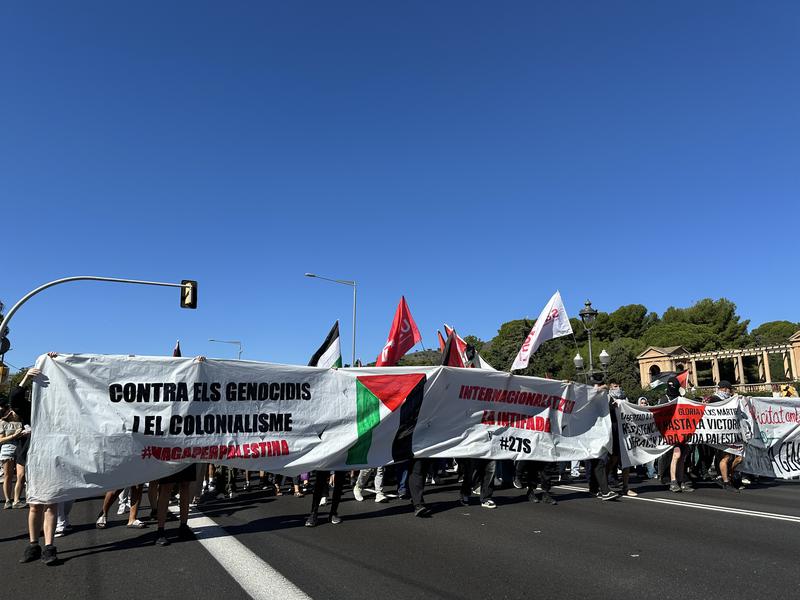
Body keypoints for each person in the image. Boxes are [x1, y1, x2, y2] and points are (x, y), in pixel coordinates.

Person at [657, 377, 693, 493]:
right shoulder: (663, 399)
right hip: (670, 433)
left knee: (682, 457)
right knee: (676, 455)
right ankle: (673, 481)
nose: (672, 388)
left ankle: (681, 480)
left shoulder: (681, 399)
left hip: (682, 432)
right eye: (671, 386)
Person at [708, 381, 742, 492]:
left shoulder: (728, 399)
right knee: (726, 457)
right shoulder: (714, 399)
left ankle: (728, 476)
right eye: (729, 390)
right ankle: (726, 481)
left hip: (731, 432)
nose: (730, 392)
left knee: (739, 457)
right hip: (720, 433)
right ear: (723, 389)